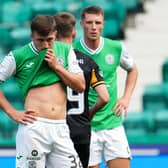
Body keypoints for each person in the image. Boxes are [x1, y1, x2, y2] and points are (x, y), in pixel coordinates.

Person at [0, 15, 85, 168]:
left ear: (55, 34)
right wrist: (11, 111)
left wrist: (57, 67)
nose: (46, 45)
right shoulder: (18, 56)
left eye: (50, 40)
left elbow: (80, 85)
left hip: (61, 128)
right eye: (41, 40)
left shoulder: (65, 50)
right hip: (34, 129)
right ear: (32, 35)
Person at [73, 5, 138, 168]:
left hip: (113, 124)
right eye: (89, 22)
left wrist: (126, 98)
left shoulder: (115, 47)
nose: (93, 27)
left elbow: (133, 70)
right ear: (81, 24)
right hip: (86, 126)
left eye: (97, 22)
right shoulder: (72, 50)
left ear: (103, 24)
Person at [54, 12, 109, 168]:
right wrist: (89, 113)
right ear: (74, 33)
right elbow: (104, 97)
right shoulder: (88, 62)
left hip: (56, 129)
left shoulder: (49, 61)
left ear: (54, 33)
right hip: (81, 131)